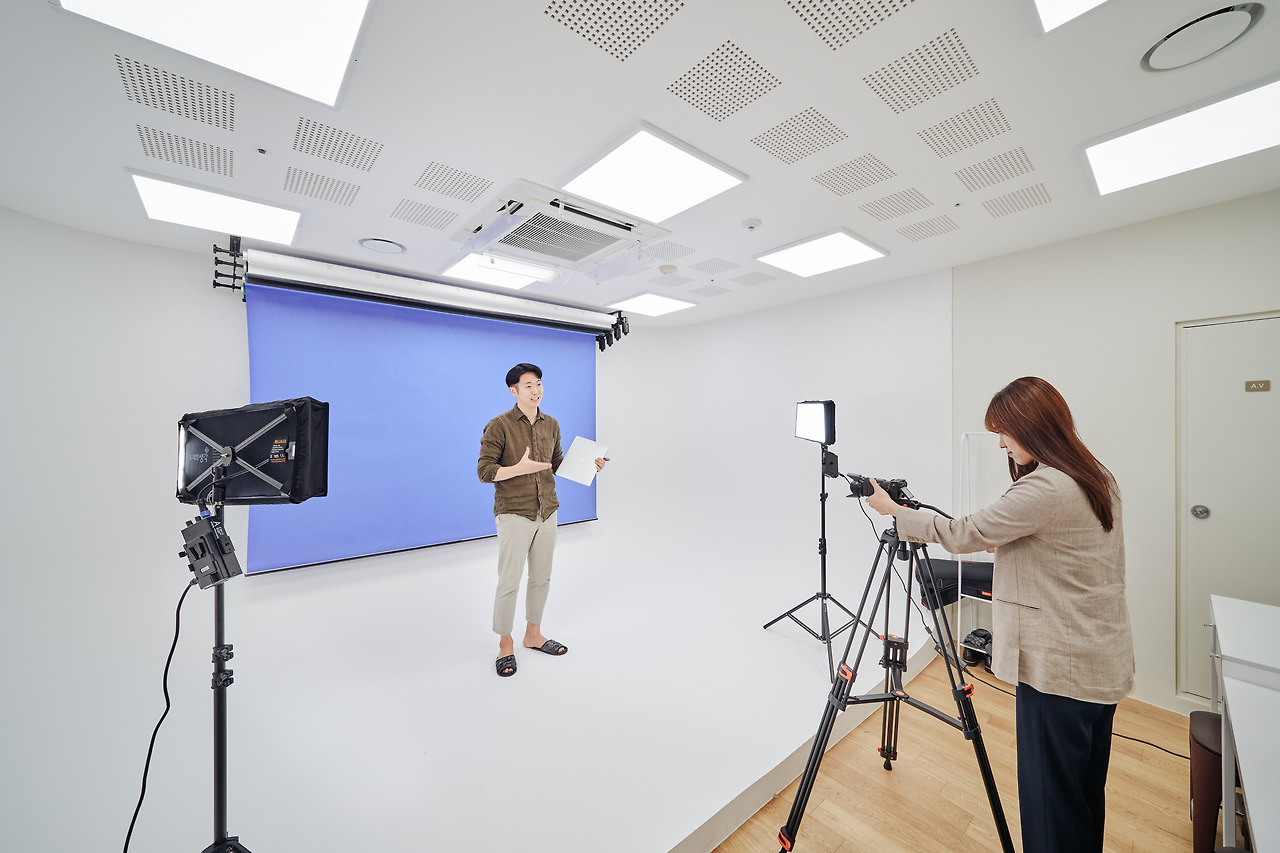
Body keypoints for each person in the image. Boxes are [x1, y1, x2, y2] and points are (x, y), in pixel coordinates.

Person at [864, 376, 1134, 853]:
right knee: (1081, 794)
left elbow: (963, 533)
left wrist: (894, 512)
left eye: (1005, 433)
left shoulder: (1045, 487)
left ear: (1033, 427)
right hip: (1097, 662)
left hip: (1057, 671)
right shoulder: (1094, 475)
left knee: (1050, 803)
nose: (1003, 445)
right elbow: (1055, 544)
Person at [476, 363, 607, 678]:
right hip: (514, 511)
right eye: (528, 385)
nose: (536, 390)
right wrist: (518, 469)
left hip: (547, 510)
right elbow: (484, 471)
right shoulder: (499, 425)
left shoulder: (552, 424)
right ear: (514, 391)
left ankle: (533, 635)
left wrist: (589, 465)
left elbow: (556, 464)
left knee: (541, 578)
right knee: (509, 582)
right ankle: (505, 643)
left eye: (538, 384)